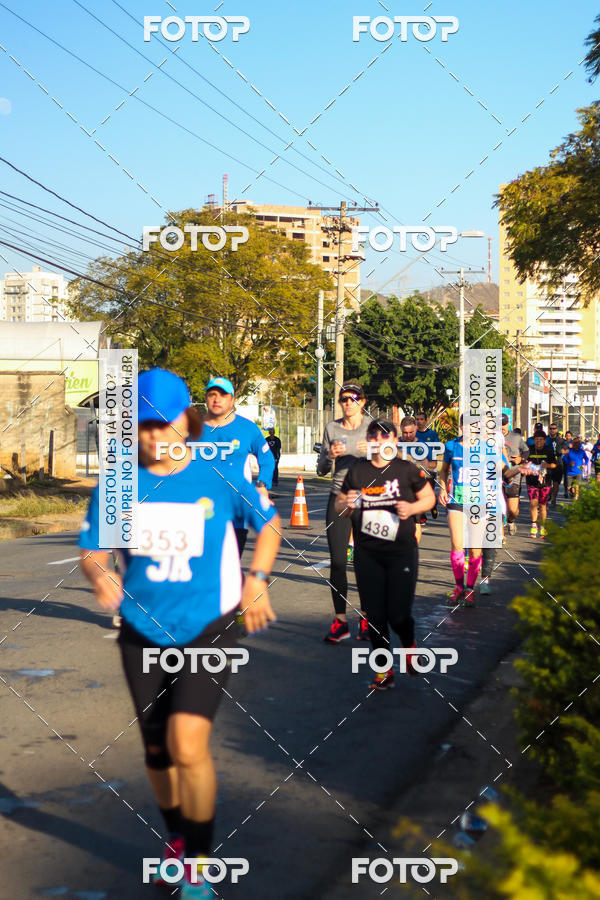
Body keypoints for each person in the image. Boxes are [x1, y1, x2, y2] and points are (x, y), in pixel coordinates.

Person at [79, 368, 281, 899]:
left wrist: (257, 581)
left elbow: (270, 524)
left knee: (187, 745)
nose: (152, 437)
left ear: (186, 422)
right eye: (142, 426)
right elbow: (94, 548)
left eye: (162, 424)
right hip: (142, 628)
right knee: (156, 752)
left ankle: (199, 860)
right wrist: (100, 575)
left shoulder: (219, 471)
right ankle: (176, 832)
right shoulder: (122, 481)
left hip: (208, 626)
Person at [335, 420, 435, 689]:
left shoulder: (406, 469)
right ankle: (384, 671)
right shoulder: (357, 471)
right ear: (368, 440)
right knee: (375, 616)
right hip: (368, 553)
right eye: (373, 434)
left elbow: (429, 498)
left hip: (401, 552)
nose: (379, 439)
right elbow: (340, 506)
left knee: (398, 616)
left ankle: (409, 646)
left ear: (393, 439)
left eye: (385, 434)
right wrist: (346, 503)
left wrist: (412, 509)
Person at [317, 382, 370, 643]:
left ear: (363, 401)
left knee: (365, 560)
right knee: (338, 561)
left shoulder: (373, 429)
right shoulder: (332, 428)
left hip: (368, 499)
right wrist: (329, 454)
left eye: (353, 398)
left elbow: (389, 457)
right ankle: (340, 621)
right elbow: (322, 470)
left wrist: (371, 451)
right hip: (338, 499)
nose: (348, 402)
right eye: (344, 399)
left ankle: (366, 617)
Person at [201, 377, 274, 557]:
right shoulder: (191, 428)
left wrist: (262, 486)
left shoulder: (247, 428)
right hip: (198, 511)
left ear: (232, 400)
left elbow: (267, 459)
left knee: (228, 567)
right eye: (212, 394)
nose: (217, 399)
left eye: (223, 395)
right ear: (206, 398)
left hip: (234, 513)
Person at [438, 416, 483, 607]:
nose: (469, 428)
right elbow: (444, 470)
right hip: (456, 500)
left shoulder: (485, 448)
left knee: (474, 549)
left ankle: (470, 589)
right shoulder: (451, 446)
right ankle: (458, 587)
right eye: (466, 424)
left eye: (473, 425)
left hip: (478, 503)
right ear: (461, 426)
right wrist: (442, 488)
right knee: (457, 545)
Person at [523, 430, 557, 538]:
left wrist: (547, 465)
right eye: (537, 439)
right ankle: (533, 526)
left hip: (545, 482)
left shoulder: (549, 450)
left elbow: (554, 465)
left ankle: (542, 527)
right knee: (533, 503)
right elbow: (524, 463)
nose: (538, 441)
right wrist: (529, 467)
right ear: (534, 440)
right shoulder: (529, 450)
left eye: (541, 439)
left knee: (542, 505)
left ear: (544, 440)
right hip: (532, 481)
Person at [501, 414, 529, 535]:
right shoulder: (491, 437)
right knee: (498, 508)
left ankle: (511, 520)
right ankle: (500, 535)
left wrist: (520, 459)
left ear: (508, 424)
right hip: (497, 476)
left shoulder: (516, 437)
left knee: (513, 510)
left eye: (504, 424)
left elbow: (527, 451)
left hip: (514, 476)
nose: (501, 427)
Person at [414, 410, 440, 522]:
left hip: (429, 467)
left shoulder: (432, 434)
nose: (419, 422)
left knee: (429, 490)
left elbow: (437, 449)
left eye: (421, 419)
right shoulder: (413, 434)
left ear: (426, 421)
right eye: (417, 419)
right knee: (418, 491)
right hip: (416, 467)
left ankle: (433, 505)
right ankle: (422, 515)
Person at [546, 423, 568, 508]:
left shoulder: (561, 440)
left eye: (554, 428)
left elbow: (567, 450)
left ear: (556, 430)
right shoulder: (546, 439)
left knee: (556, 484)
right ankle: (549, 494)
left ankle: (554, 499)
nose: (552, 430)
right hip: (548, 463)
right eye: (551, 428)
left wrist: (564, 452)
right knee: (547, 483)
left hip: (558, 464)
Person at [563, 434, 587, 500]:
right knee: (569, 487)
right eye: (574, 443)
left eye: (577, 443)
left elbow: (587, 458)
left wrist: (584, 464)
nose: (576, 444)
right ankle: (572, 492)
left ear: (579, 444)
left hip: (578, 471)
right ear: (572, 443)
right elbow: (564, 459)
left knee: (577, 485)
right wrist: (569, 463)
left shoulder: (582, 451)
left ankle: (576, 498)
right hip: (570, 472)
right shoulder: (569, 451)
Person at [562, 431, 574, 498]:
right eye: (567, 435)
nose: (568, 437)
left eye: (569, 435)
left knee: (573, 476)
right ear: (565, 436)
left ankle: (572, 490)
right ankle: (565, 491)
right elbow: (562, 451)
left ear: (571, 436)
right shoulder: (563, 443)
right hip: (565, 462)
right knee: (566, 477)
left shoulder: (574, 443)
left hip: (572, 462)